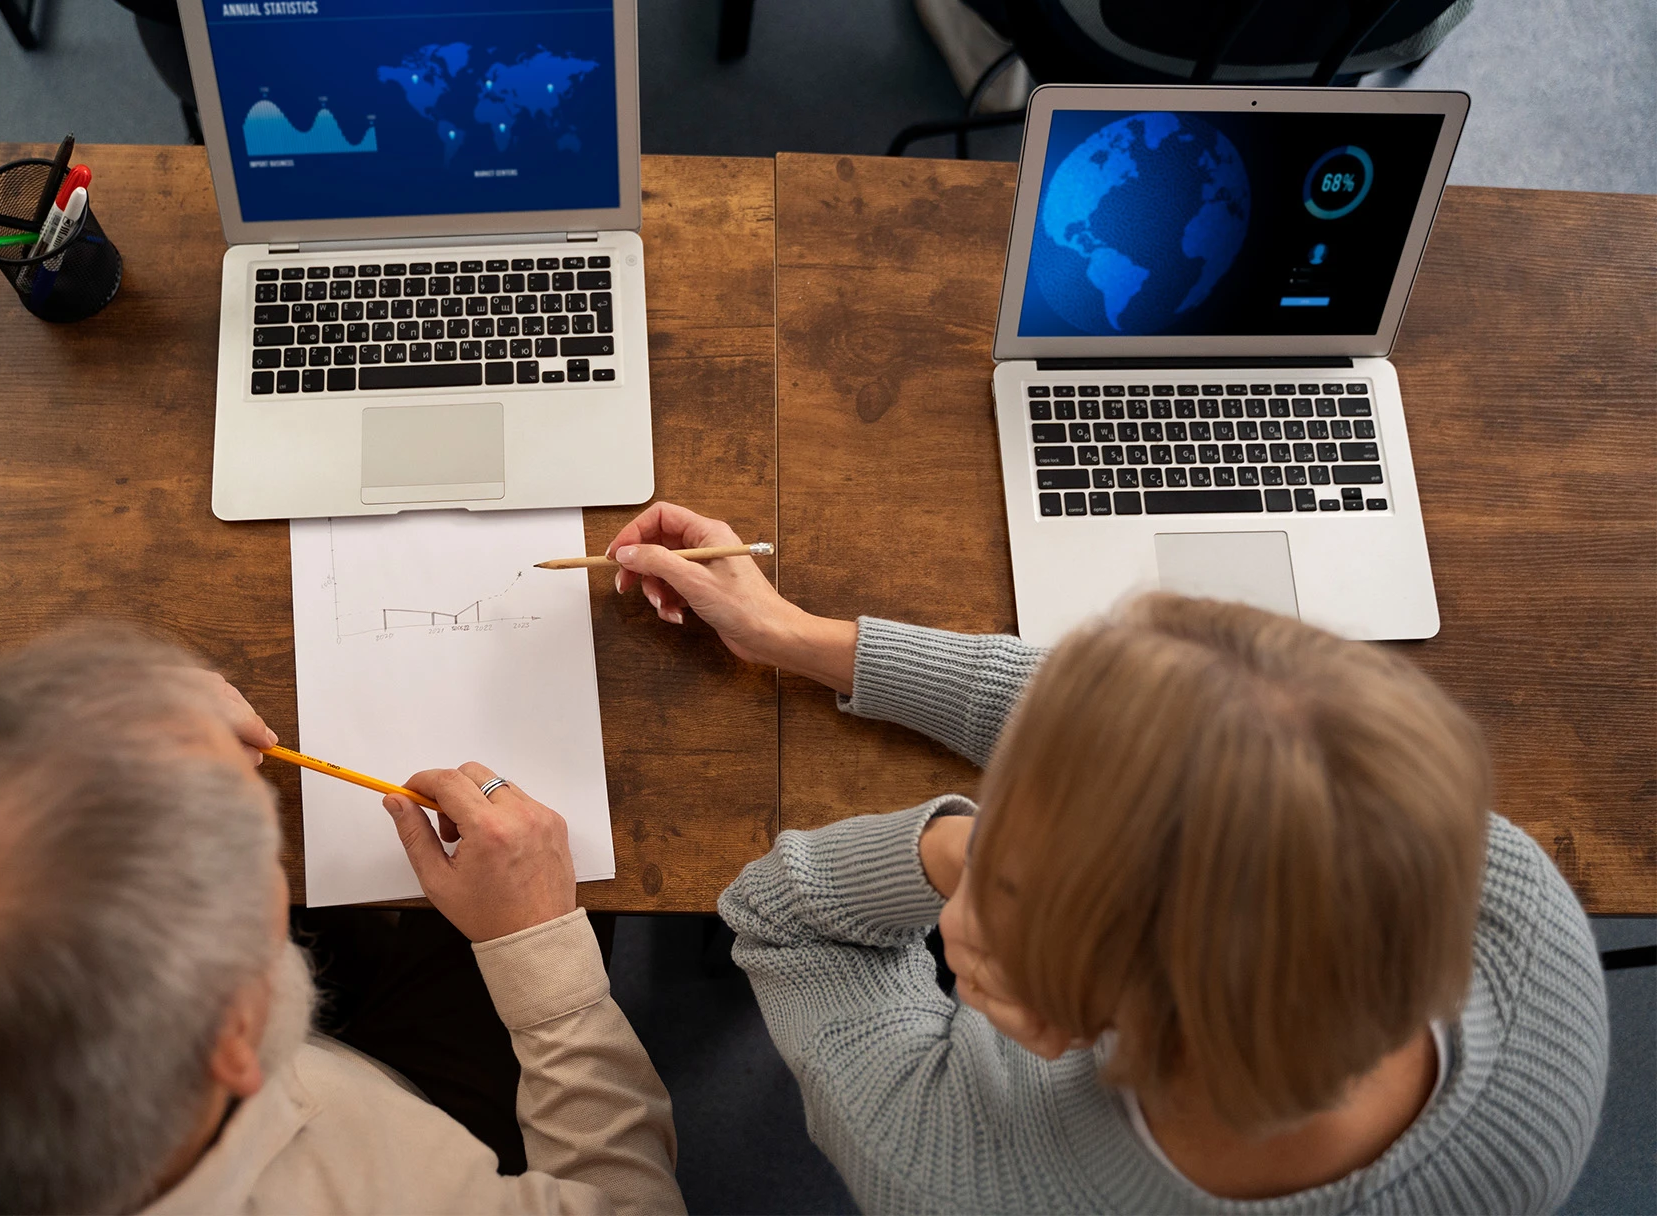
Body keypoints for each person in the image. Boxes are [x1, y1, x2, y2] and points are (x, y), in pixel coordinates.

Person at [606, 500, 1608, 1214]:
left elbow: (781, 909)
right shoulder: (1516, 907)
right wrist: (805, 636)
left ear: (1047, 1016)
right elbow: (1188, 732)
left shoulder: (955, 1171)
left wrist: (953, 847)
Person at [0, 629, 682, 1214]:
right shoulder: (394, 1192)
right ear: (238, 1032)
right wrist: (540, 954)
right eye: (254, 858)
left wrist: (88, 736)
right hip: (407, 1097)